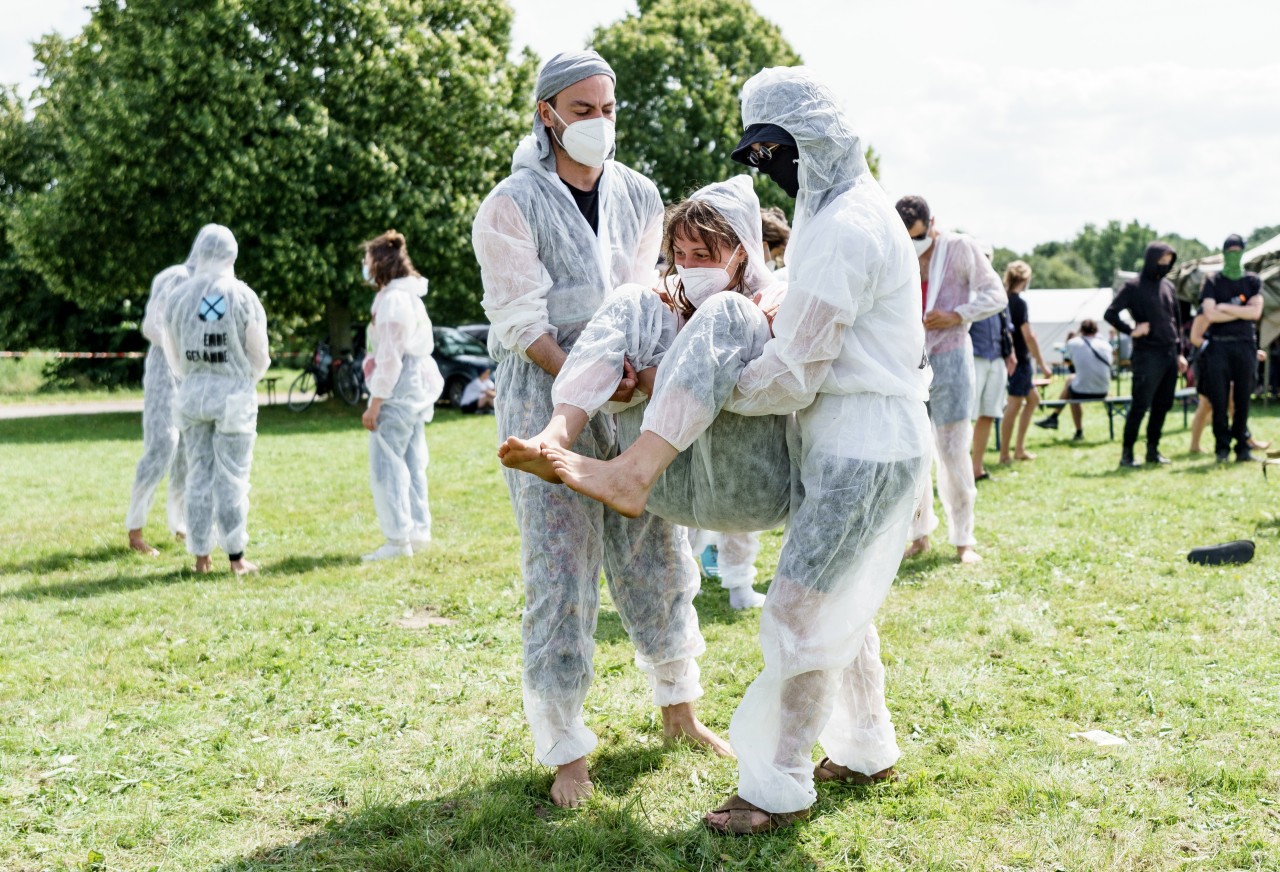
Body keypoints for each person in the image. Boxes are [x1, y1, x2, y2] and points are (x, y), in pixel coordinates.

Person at [541, 66, 931, 835]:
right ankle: (865, 747)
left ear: (810, 138)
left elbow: (791, 372)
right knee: (838, 603)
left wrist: (683, 382)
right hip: (847, 439)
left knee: (798, 610)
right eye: (756, 156)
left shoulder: (848, 226)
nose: (767, 169)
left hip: (863, 443)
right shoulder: (834, 211)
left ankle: (774, 788)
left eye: (772, 151)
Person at [471, 50, 725, 809]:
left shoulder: (643, 194)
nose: (598, 124)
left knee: (660, 553)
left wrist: (641, 376)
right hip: (544, 402)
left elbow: (654, 292)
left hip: (636, 403)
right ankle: (566, 749)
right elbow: (521, 319)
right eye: (583, 111)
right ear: (548, 114)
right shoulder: (510, 205)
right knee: (561, 567)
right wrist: (580, 376)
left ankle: (680, 711)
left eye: (608, 110)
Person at [499, 175, 788, 612]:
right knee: (631, 297)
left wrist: (657, 378)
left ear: (742, 251)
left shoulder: (775, 296)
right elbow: (662, 356)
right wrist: (640, 375)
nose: (689, 268)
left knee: (727, 309)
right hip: (678, 484)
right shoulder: (667, 301)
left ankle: (632, 474)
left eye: (704, 256)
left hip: (750, 477)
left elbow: (777, 383)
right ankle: (555, 433)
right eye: (682, 256)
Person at [897, 195, 1007, 564]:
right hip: (909, 363)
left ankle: (964, 539)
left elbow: (996, 294)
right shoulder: (899, 251)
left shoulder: (960, 247)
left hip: (952, 359)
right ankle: (919, 533)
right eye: (907, 237)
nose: (914, 243)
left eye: (918, 235)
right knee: (913, 453)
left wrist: (957, 314)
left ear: (932, 224)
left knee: (954, 451)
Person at [162, 225, 268, 574]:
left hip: (192, 396)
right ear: (231, 254)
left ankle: (200, 557)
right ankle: (236, 558)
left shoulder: (177, 296)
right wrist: (240, 378)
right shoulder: (242, 295)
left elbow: (172, 352)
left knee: (198, 474)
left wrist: (196, 376)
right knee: (233, 477)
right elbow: (260, 353)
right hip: (234, 398)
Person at [125, 227, 220, 554]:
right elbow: (153, 326)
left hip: (191, 374)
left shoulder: (210, 286)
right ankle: (135, 528)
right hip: (165, 372)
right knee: (163, 445)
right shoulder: (176, 277)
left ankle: (178, 521)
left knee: (186, 451)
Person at [359, 230, 445, 561]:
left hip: (398, 391)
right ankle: (417, 531)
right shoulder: (405, 296)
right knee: (411, 460)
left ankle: (398, 540)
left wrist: (376, 402)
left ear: (379, 263)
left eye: (367, 260)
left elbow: (390, 356)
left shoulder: (394, 300)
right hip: (412, 389)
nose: (364, 267)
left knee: (388, 466)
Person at [1104, 242, 1187, 467]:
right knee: (1141, 405)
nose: (1165, 265)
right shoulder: (1133, 287)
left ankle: (1153, 450)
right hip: (1147, 354)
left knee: (1163, 405)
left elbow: (1176, 321)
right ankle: (1127, 454)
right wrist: (1132, 330)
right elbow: (1110, 314)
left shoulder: (1168, 287)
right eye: (1162, 260)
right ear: (1152, 260)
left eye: (1169, 261)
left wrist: (1180, 353)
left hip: (1169, 353)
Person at [1199, 234, 1264, 462]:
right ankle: (1222, 448)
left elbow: (1255, 312)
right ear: (1224, 253)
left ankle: (1242, 447)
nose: (1233, 255)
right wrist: (1240, 310)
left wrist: (1224, 307)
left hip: (1245, 346)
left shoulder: (1252, 281)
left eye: (1237, 250)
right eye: (1230, 251)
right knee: (1219, 399)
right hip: (1219, 347)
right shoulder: (1213, 281)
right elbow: (1209, 314)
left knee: (1243, 398)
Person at [968, 242, 1015, 481]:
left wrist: (1010, 353)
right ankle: (961, 470)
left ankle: (977, 467)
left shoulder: (996, 290)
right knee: (965, 416)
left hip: (997, 357)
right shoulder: (963, 289)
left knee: (989, 412)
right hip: (973, 357)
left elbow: (1006, 326)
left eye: (988, 257)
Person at [998, 261, 1053, 463]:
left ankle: (1019, 449)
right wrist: (1043, 364)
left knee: (1032, 400)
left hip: (1012, 359)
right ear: (1025, 279)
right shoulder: (1019, 303)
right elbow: (1028, 336)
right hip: (1019, 361)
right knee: (1014, 405)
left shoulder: (1003, 298)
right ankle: (1005, 454)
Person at [1035, 319, 1112, 439]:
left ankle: (1072, 427)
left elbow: (1067, 360)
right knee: (1072, 382)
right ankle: (1054, 418)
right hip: (1104, 390)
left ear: (1081, 330)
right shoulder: (1106, 344)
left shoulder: (1073, 343)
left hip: (1082, 390)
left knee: (1071, 387)